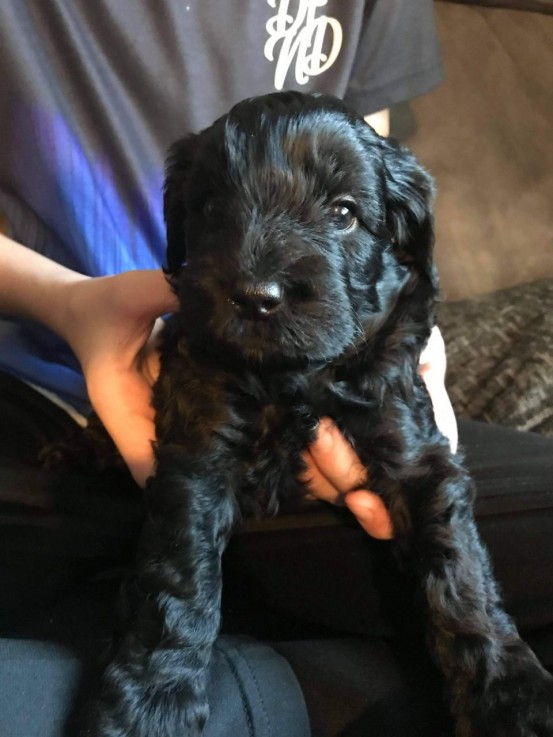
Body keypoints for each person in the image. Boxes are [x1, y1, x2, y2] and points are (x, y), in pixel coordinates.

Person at [1, 2, 551, 736]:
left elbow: (368, 174)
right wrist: (70, 304)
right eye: (218, 209)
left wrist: (413, 343)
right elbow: (188, 505)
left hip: (344, 393)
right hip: (60, 402)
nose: (258, 266)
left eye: (342, 212)